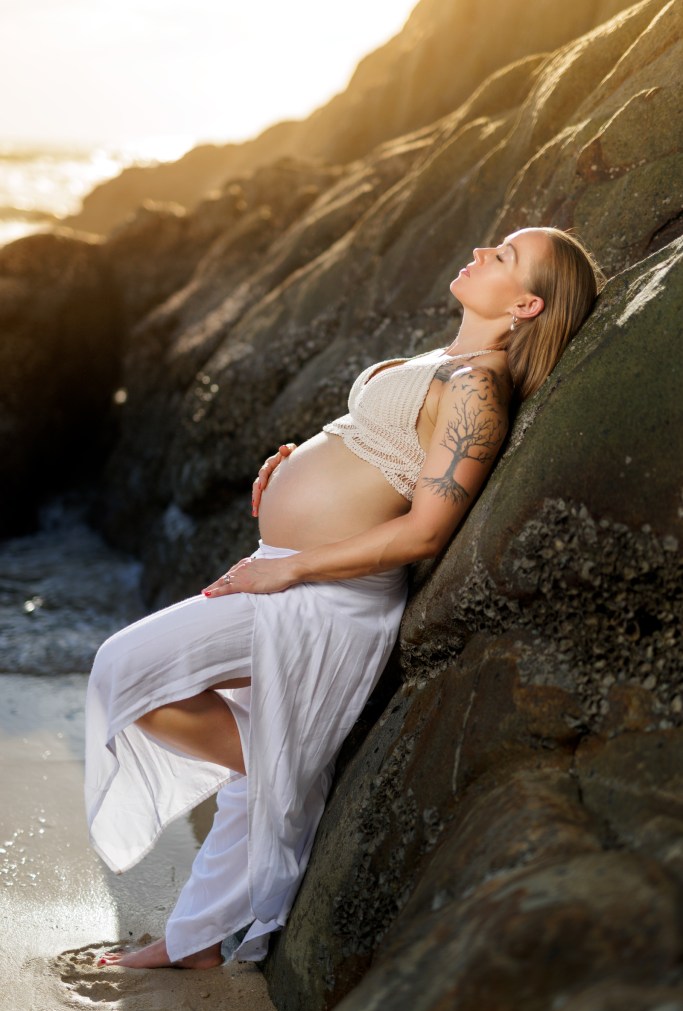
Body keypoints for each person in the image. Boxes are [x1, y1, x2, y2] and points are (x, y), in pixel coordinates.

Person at [87, 227, 602, 970]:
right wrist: (297, 458)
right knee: (228, 750)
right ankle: (193, 941)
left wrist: (288, 571)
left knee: (122, 670)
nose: (483, 250)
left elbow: (425, 530)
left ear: (524, 303)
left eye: (505, 258)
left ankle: (282, 768)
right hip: (286, 571)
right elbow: (377, 446)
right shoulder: (444, 360)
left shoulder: (478, 391)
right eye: (492, 243)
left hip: (322, 597)